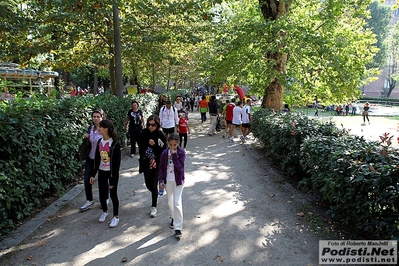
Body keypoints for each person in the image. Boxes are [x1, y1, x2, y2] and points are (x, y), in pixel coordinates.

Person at [90, 119, 121, 228]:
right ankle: (105, 211)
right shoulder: (100, 142)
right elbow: (96, 160)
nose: (98, 129)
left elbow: (116, 165)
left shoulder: (115, 144)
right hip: (102, 171)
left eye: (101, 127)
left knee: (113, 194)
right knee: (102, 194)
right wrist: (93, 174)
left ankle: (115, 217)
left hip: (111, 173)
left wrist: (113, 179)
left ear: (106, 129)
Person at [80, 110, 110, 212]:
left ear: (102, 117)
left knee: (103, 180)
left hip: (102, 158)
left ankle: (105, 198)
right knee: (86, 179)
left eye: (98, 116)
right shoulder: (91, 128)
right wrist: (86, 137)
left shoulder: (104, 129)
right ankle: (89, 200)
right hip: (91, 157)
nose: (96, 118)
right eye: (94, 117)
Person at [158, 133, 186, 238]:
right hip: (168, 181)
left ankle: (178, 228)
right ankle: (174, 217)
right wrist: (160, 181)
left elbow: (180, 168)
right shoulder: (165, 153)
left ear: (178, 144)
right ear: (168, 143)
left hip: (178, 181)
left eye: (175, 145)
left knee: (176, 202)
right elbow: (161, 168)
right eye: (171, 145)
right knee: (170, 202)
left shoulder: (181, 153)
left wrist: (174, 155)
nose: (173, 147)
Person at [139, 115, 167, 218]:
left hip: (157, 162)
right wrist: (147, 143)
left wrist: (154, 145)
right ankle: (154, 192)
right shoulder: (144, 133)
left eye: (153, 125)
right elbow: (140, 145)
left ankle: (154, 206)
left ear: (157, 125)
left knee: (154, 183)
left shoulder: (160, 135)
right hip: (146, 162)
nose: (151, 127)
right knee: (148, 184)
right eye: (149, 124)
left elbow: (164, 149)